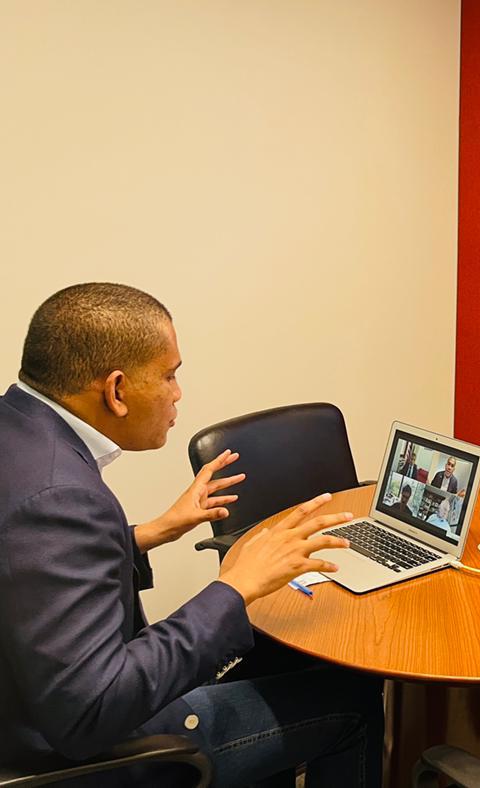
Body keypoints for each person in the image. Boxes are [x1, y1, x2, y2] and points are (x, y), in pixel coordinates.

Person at [0, 284, 383, 787]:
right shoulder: (58, 495)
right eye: (169, 374)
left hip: (27, 698)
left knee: (278, 658)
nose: (178, 391)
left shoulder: (19, 431)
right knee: (351, 702)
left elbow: (28, 573)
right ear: (116, 390)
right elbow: (91, 711)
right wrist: (234, 588)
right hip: (74, 756)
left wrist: (149, 534)